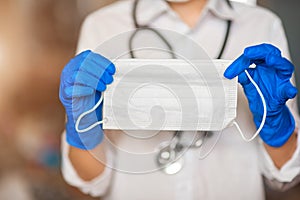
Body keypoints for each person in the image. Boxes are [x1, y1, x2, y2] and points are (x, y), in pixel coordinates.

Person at [59, 0, 300, 199]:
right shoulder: (103, 26)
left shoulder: (261, 25)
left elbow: (284, 176)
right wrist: (82, 127)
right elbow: (91, 183)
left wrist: (277, 127)